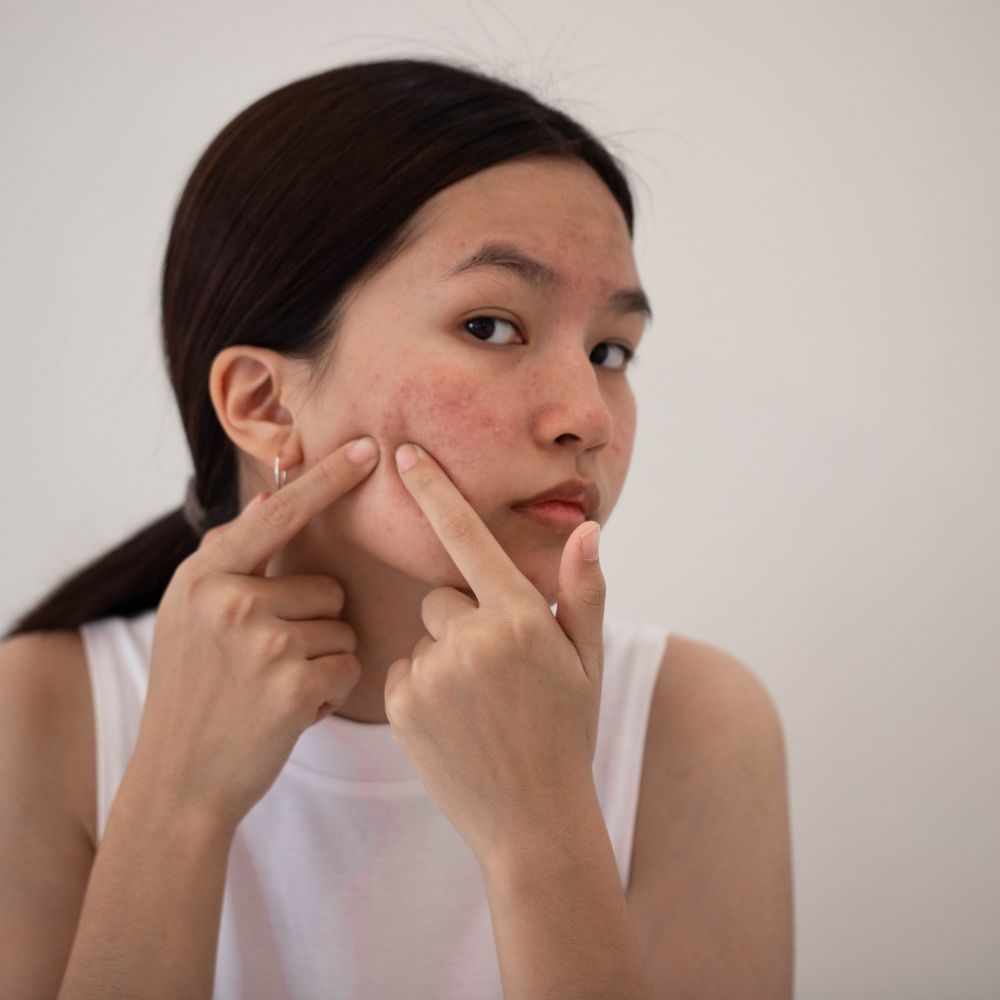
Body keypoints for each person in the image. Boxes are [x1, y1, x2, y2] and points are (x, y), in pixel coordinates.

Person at [0, 57, 793, 999]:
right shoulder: (42, 714)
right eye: (492, 326)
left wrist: (544, 832)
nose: (589, 416)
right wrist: (176, 798)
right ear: (263, 403)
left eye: (610, 350)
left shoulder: (689, 723)